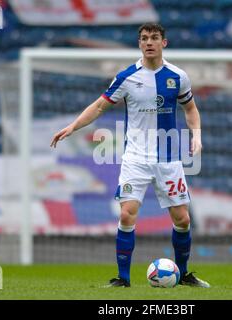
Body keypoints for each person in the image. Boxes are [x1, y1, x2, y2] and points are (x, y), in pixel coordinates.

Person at [50, 22, 210, 288]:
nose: (149, 42)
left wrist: (197, 135)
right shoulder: (127, 76)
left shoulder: (177, 76)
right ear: (139, 44)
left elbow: (190, 108)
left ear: (163, 43)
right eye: (144, 38)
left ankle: (182, 274)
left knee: (183, 219)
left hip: (168, 159)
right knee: (126, 215)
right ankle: (123, 279)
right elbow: (100, 106)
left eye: (154, 38)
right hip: (135, 158)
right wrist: (73, 126)